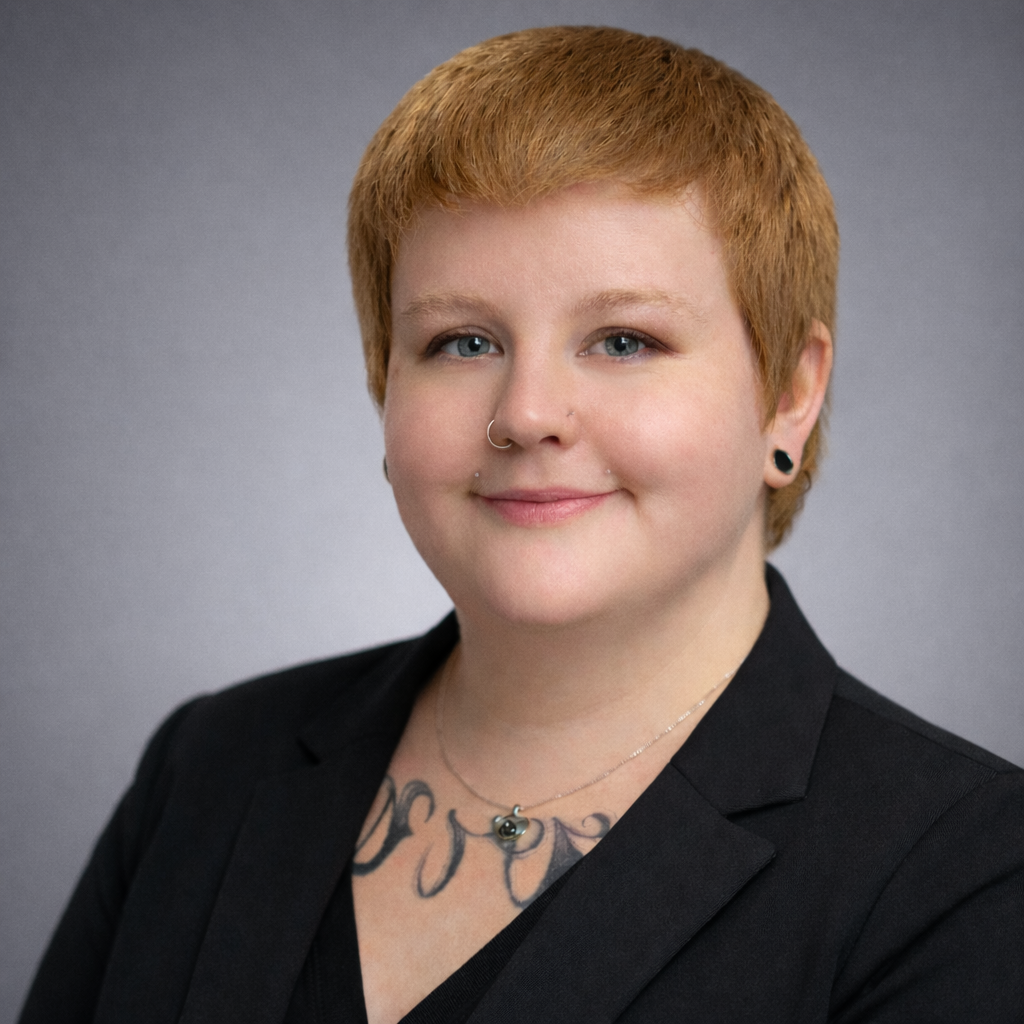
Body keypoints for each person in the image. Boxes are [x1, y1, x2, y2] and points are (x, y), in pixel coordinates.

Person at [19, 25, 1023, 1024]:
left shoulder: (970, 870)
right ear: (384, 382)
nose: (525, 412)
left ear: (789, 396)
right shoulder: (210, 763)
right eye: (461, 341)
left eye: (623, 339)